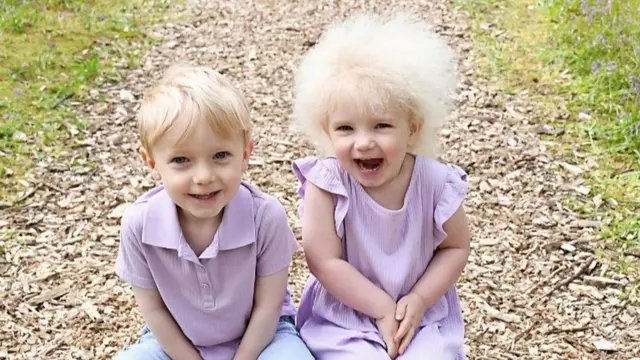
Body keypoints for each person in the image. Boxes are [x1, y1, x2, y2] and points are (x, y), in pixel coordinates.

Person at [290, 12, 472, 360]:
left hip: (419, 316)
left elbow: (455, 247)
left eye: (381, 126)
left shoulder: (434, 181)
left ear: (414, 128)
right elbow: (323, 260)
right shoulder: (327, 185)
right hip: (343, 316)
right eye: (346, 128)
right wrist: (380, 308)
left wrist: (418, 299)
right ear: (326, 130)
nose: (363, 143)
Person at [113, 63, 314, 360]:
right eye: (182, 160)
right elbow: (154, 310)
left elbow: (268, 308)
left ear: (245, 154)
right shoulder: (139, 224)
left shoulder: (265, 217)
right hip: (175, 342)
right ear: (152, 163)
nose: (204, 176)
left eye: (220, 155)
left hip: (263, 339)